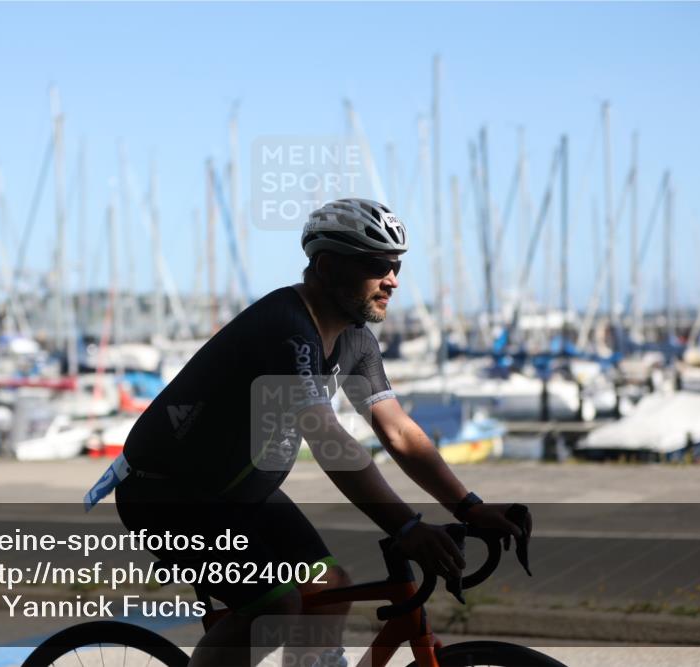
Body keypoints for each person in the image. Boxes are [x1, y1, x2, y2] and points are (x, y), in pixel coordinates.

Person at [113, 198, 530, 666]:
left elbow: (397, 431)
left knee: (330, 590)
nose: (392, 279)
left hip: (240, 492)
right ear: (328, 266)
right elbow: (327, 439)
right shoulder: (286, 329)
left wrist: (468, 506)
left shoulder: (355, 338)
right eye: (377, 265)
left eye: (396, 265)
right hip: (169, 496)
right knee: (273, 605)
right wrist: (406, 527)